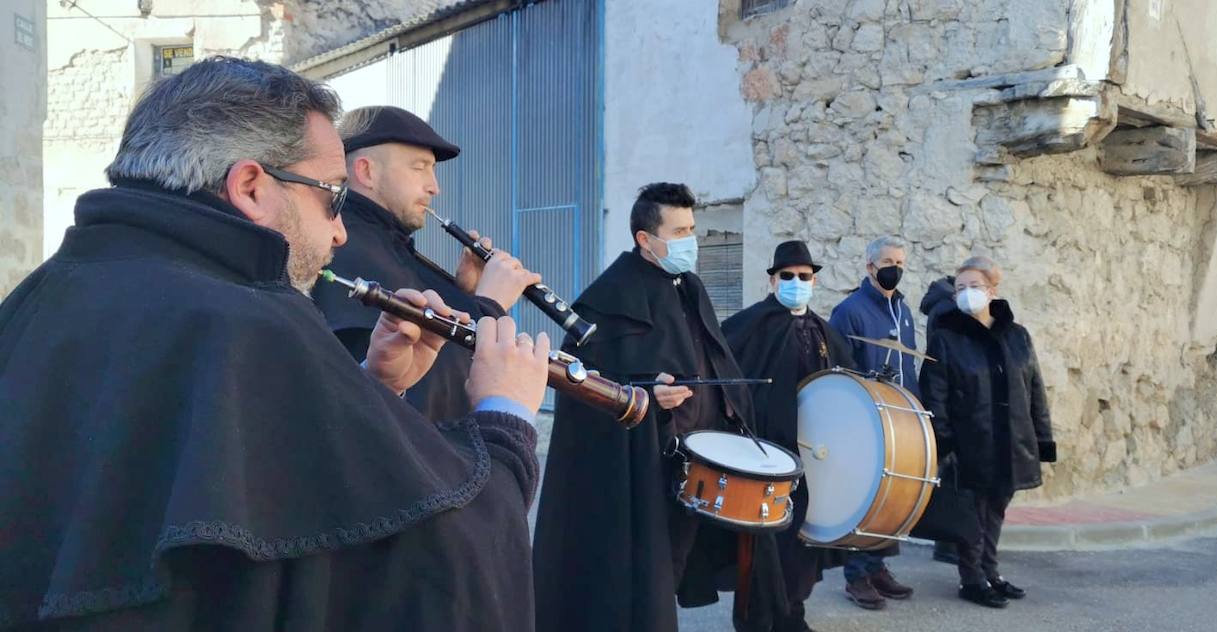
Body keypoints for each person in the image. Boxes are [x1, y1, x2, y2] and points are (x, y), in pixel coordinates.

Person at [0, 57, 552, 630]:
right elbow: (441, 570)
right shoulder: (251, 320)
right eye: (333, 197)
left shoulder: (39, 296)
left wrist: (369, 389)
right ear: (251, 187)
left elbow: (244, 475)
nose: (339, 230)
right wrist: (505, 418)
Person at [533, 183, 776, 631]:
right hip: (641, 467)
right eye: (680, 230)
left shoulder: (689, 285)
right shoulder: (607, 298)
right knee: (644, 576)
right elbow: (581, 386)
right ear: (645, 238)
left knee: (677, 567)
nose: (691, 240)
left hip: (696, 460)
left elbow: (710, 355)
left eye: (693, 229)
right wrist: (643, 394)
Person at [312, 105, 538, 421]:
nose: (434, 186)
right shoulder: (351, 247)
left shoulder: (385, 241)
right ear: (366, 171)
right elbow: (419, 381)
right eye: (420, 168)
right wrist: (489, 306)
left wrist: (465, 294)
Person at [721, 240, 854, 632]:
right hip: (764, 454)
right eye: (788, 276)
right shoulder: (749, 325)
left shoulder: (823, 330)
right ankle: (754, 621)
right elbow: (726, 378)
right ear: (772, 280)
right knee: (762, 543)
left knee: (800, 543)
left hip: (812, 456)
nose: (797, 282)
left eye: (804, 276)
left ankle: (793, 613)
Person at [917, 256, 1057, 609]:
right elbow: (935, 395)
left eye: (974, 287)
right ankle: (972, 579)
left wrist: (1043, 440)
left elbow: (1035, 389)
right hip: (971, 444)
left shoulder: (1017, 336)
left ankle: (991, 572)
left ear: (992, 290)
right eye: (960, 288)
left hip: (1012, 442)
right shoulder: (946, 339)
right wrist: (944, 441)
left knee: (996, 510)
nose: (966, 294)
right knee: (972, 514)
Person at [826, 235, 919, 609]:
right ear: (870, 267)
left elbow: (907, 363)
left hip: (902, 417)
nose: (894, 268)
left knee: (893, 497)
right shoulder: (850, 310)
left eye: (900, 262)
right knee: (867, 499)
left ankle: (878, 566)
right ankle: (857, 575)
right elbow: (840, 363)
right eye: (887, 262)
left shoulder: (904, 310)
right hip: (867, 419)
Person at [918, 274, 962, 566]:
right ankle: (948, 543)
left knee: (949, 475)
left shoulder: (941, 305)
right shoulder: (948, 309)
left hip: (943, 393)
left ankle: (948, 543)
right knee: (952, 478)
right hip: (950, 396)